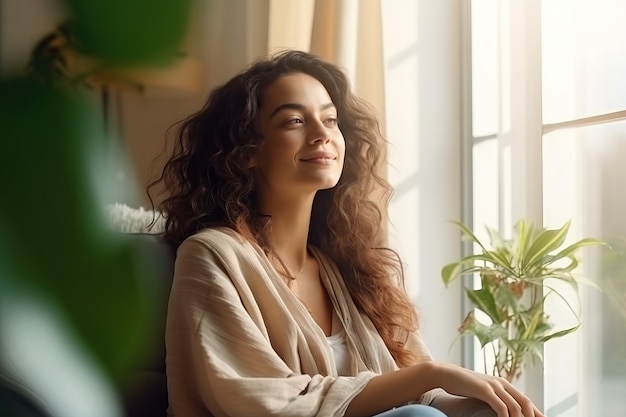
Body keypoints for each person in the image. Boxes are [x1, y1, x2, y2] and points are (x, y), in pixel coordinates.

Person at [149, 50, 544, 417]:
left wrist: (492, 405)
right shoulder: (212, 254)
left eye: (330, 119)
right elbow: (264, 400)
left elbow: (419, 389)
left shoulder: (347, 266)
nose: (322, 134)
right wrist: (430, 375)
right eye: (294, 121)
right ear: (247, 150)